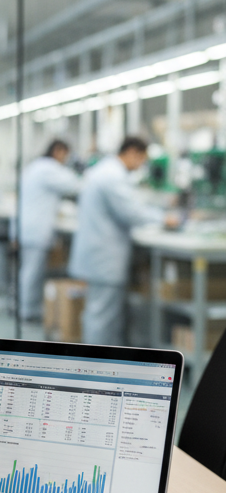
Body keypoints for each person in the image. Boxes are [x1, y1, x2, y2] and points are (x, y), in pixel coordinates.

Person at [69, 135, 179, 345]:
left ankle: (97, 364)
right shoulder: (112, 176)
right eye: (141, 160)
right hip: (103, 258)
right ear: (131, 153)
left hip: (98, 254)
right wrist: (165, 218)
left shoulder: (106, 171)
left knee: (99, 314)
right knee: (101, 316)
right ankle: (95, 368)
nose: (141, 167)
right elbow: (131, 212)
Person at [18, 139, 81, 321]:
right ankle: (28, 312)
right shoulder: (48, 168)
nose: (66, 159)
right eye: (66, 155)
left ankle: (28, 308)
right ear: (58, 151)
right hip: (35, 228)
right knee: (32, 272)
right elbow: (74, 185)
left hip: (29, 226)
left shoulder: (37, 166)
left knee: (29, 271)